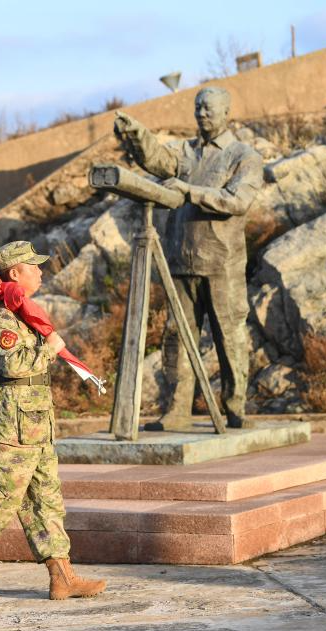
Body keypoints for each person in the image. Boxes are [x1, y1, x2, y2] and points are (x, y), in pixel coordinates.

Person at [0, 241, 106, 605]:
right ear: (15, 273)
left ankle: (61, 576)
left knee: (46, 500)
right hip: (14, 424)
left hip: (35, 422)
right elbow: (9, 366)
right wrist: (49, 348)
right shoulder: (3, 317)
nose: (41, 271)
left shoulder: (22, 312)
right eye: (34, 266)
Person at [114, 86, 263, 429]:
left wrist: (190, 191)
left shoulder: (244, 155)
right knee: (176, 337)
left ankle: (234, 408)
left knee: (230, 336)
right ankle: (177, 410)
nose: (202, 114)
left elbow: (236, 201)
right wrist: (136, 134)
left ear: (227, 112)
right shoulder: (185, 152)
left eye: (209, 108)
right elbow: (157, 160)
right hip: (180, 260)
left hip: (221, 263)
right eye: (198, 108)